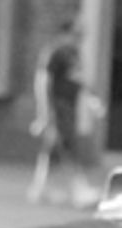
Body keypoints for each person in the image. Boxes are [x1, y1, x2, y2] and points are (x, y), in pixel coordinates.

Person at [28, 18, 103, 207]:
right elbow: (42, 82)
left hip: (70, 105)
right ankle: (79, 189)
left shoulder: (74, 54)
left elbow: (80, 80)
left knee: (53, 149)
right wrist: (44, 113)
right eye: (77, 34)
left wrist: (93, 100)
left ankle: (40, 189)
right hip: (58, 106)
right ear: (65, 33)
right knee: (69, 146)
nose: (80, 38)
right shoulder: (55, 53)